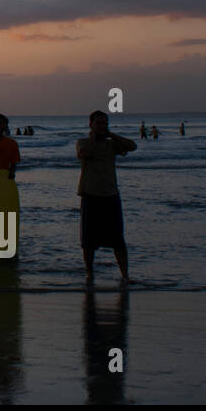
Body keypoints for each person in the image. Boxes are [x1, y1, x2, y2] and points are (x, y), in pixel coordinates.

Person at [75, 111, 136, 283]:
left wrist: (111, 135)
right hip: (90, 194)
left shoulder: (111, 145)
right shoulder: (83, 142)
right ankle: (89, 272)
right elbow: (83, 153)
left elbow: (132, 146)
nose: (102, 126)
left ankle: (125, 275)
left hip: (110, 194)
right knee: (88, 240)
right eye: (98, 123)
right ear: (91, 125)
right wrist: (94, 138)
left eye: (104, 123)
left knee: (118, 239)